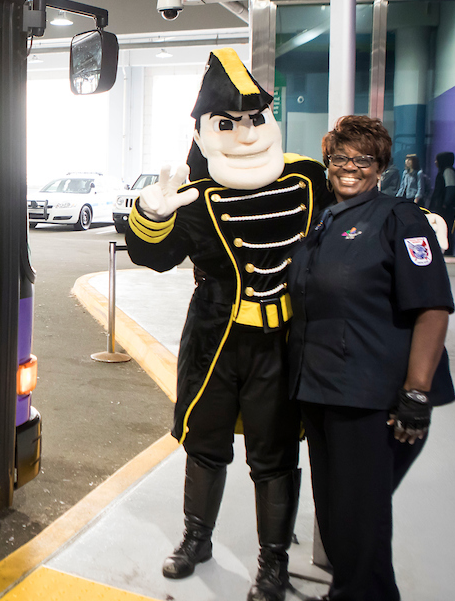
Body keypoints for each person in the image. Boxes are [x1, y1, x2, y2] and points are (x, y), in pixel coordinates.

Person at [125, 48, 332, 601]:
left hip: (279, 345)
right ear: (204, 130)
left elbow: (360, 214)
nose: (243, 133)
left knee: (276, 453)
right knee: (205, 443)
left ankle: (273, 562)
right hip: (216, 342)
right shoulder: (195, 197)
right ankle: (197, 539)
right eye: (228, 123)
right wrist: (151, 214)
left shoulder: (310, 180)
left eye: (254, 119)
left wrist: (415, 224)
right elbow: (155, 258)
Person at [287, 116, 454, 601]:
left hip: (370, 400)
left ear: (381, 166)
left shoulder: (401, 218)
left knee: (361, 525)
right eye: (341, 157)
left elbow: (432, 307)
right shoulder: (322, 224)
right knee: (338, 519)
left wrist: (417, 391)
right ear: (328, 163)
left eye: (364, 159)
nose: (351, 167)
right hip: (319, 394)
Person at [429, 152, 455, 255]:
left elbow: (451, 189)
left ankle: (447, 252)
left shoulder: (448, 171)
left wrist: (445, 204)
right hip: (441, 207)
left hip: (445, 209)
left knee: (445, 231)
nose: (435, 162)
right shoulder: (443, 171)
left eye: (437, 160)